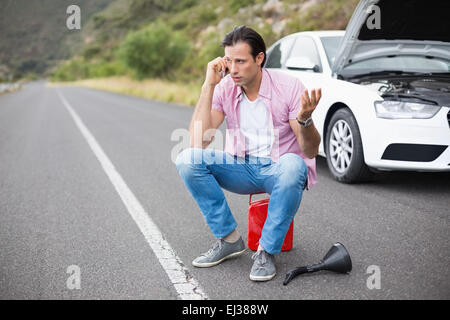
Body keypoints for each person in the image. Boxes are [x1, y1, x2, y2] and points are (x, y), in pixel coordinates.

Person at [175, 25, 321, 282]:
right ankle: (229, 240)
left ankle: (266, 251)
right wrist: (208, 85)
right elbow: (198, 141)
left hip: (278, 169)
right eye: (229, 61)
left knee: (294, 164)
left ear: (260, 58)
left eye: (241, 61)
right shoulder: (225, 87)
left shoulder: (288, 87)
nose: (233, 69)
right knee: (188, 159)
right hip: (242, 167)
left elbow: (310, 150)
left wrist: (306, 120)